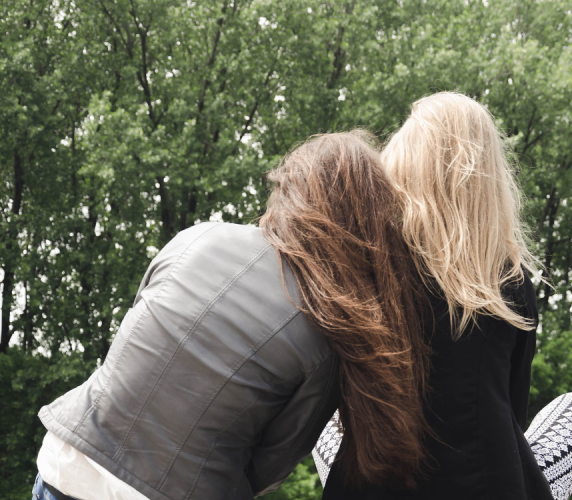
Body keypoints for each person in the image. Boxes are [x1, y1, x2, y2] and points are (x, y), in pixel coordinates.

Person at [33, 132, 431, 500]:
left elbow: (137, 340)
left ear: (288, 188)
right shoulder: (326, 332)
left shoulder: (196, 237)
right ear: (365, 227)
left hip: (67, 463)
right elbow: (270, 467)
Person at [315, 93, 572, 500]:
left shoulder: (372, 270)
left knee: (326, 426)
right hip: (494, 486)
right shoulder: (509, 281)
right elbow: (513, 412)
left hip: (373, 483)